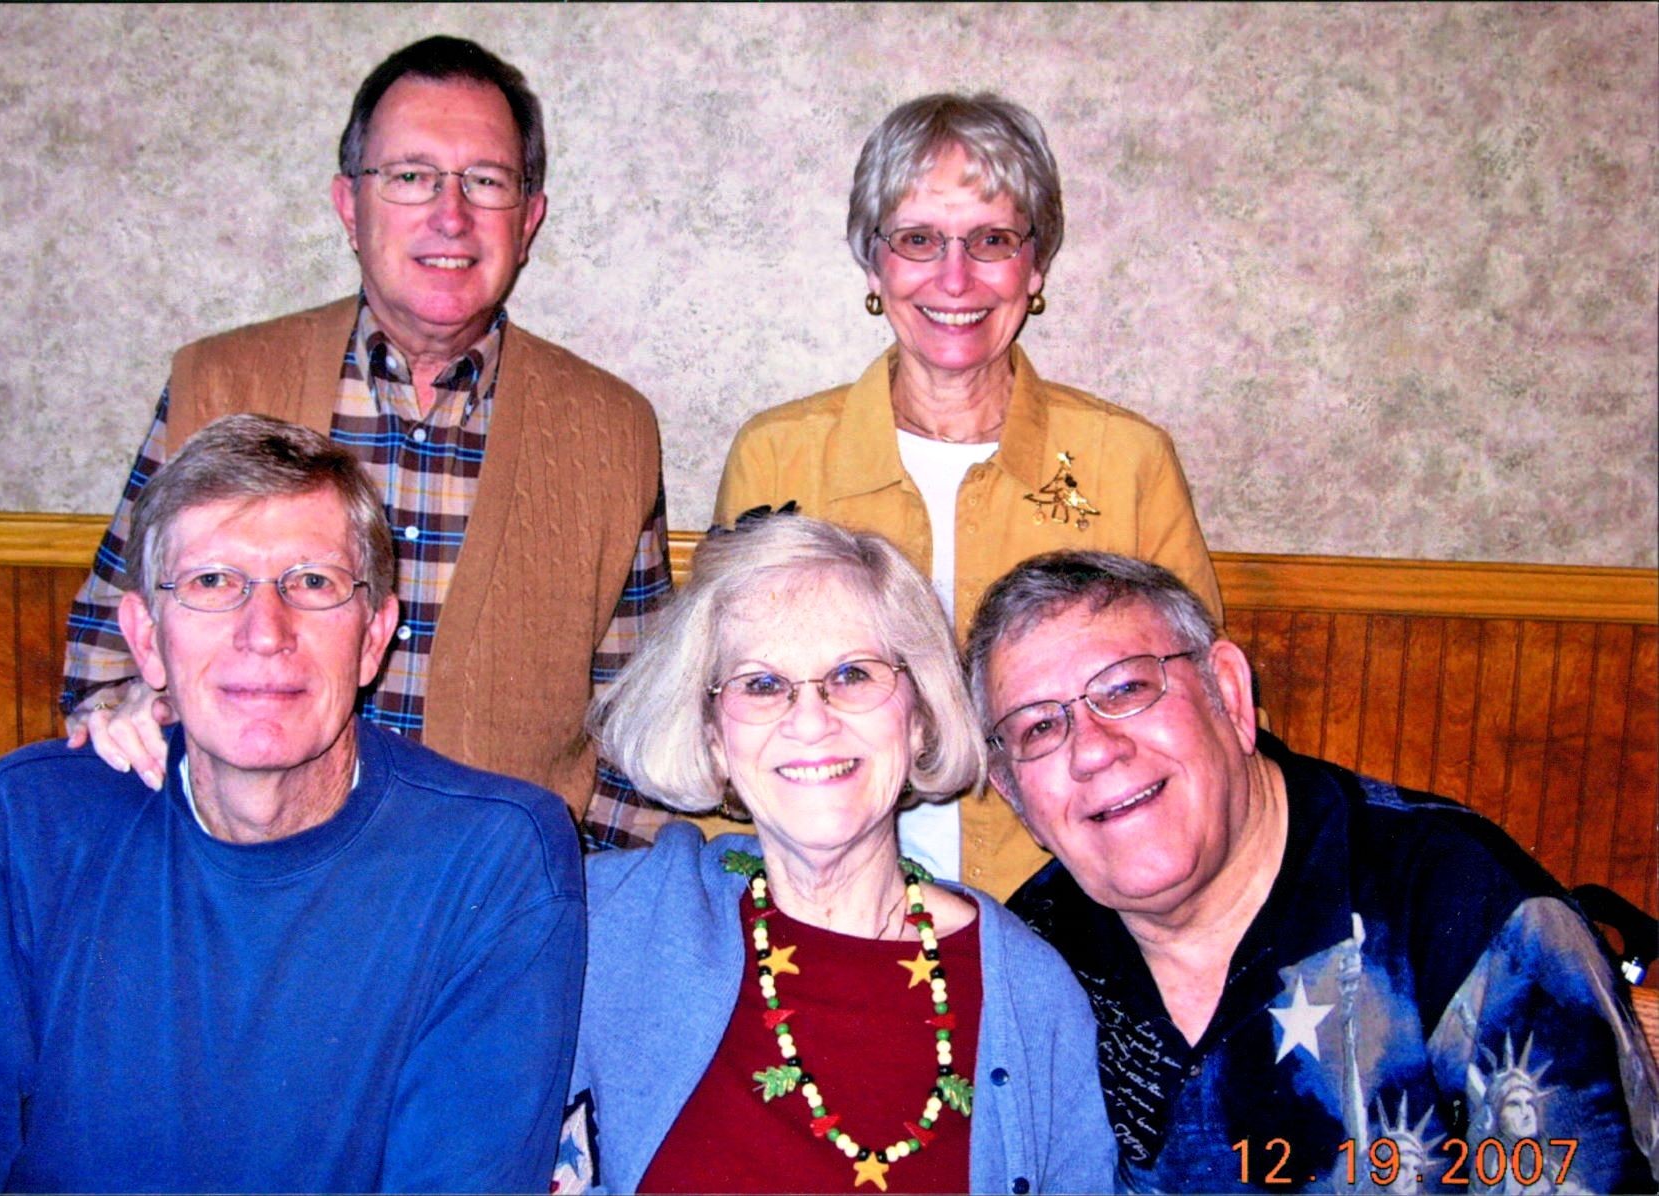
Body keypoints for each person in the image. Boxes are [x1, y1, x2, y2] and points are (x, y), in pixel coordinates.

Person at [0, 416, 586, 1193]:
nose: (264, 633)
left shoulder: (494, 858)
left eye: (313, 583)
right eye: (211, 582)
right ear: (146, 639)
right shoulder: (37, 820)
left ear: (374, 638)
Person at [62, 35, 671, 848]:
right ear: (350, 207)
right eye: (411, 176)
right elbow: (106, 662)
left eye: (486, 181)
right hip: (244, 880)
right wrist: (124, 711)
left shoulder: (611, 431)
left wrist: (582, 895)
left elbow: (643, 729)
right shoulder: (219, 385)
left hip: (491, 899)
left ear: (528, 222)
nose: (450, 215)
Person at [966, 550, 1659, 1193]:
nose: (1092, 750)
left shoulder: (1466, 913)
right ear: (1015, 795)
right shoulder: (1023, 962)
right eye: (1038, 728)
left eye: (1125, 689)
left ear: (1229, 694)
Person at [713, 92, 1220, 901]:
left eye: (992, 240)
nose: (955, 278)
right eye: (919, 240)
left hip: (1072, 898)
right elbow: (729, 710)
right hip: (827, 897)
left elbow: (1198, 722)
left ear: (1035, 265)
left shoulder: (1125, 461)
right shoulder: (778, 457)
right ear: (874, 263)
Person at [561, 514, 1115, 1194]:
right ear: (712, 739)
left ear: (919, 718)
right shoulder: (609, 923)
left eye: (852, 674)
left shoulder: (1029, 995)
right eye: (762, 684)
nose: (811, 720)